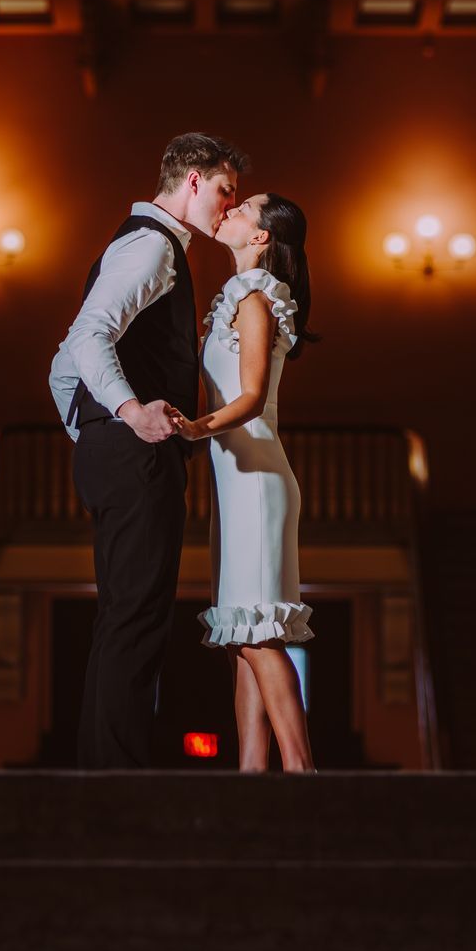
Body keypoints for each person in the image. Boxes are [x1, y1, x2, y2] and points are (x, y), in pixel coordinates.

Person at [48, 133, 247, 769]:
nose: (226, 204)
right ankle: (117, 782)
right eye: (223, 190)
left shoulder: (144, 243)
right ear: (192, 180)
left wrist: (92, 431)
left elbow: (61, 368)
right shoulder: (151, 246)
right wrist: (129, 416)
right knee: (136, 620)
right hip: (134, 453)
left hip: (117, 452)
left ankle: (106, 773)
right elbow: (86, 337)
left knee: (125, 617)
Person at [166, 193, 316, 773]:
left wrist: (193, 428)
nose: (228, 209)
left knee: (258, 634)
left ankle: (303, 775)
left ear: (261, 238)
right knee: (241, 634)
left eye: (244, 208)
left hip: (255, 478)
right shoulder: (237, 296)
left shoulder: (255, 299)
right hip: (235, 483)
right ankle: (250, 777)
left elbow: (251, 398)